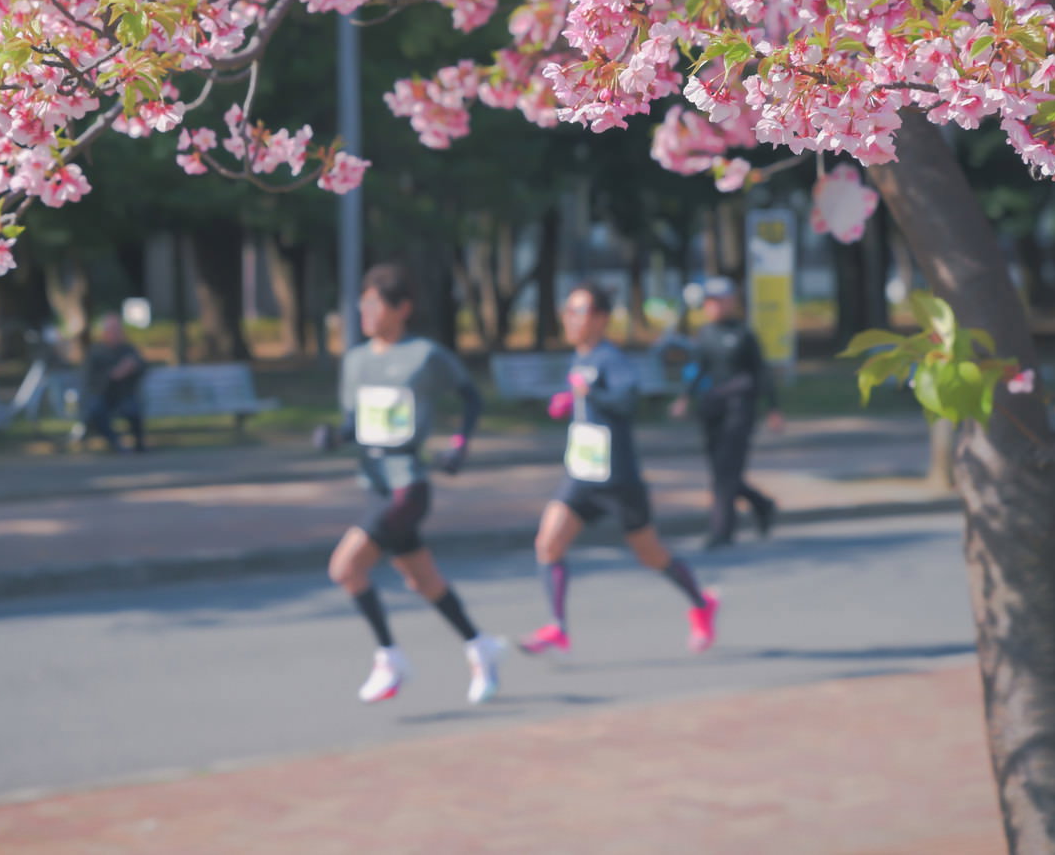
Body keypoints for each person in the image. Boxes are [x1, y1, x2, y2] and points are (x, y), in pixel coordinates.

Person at [313, 262, 504, 705]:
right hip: (374, 484)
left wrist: (460, 444)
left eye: (374, 304)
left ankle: (389, 657)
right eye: (362, 303)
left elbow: (470, 396)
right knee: (423, 580)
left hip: (408, 487)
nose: (365, 311)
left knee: (345, 567)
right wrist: (334, 436)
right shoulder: (357, 360)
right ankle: (481, 646)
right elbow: (355, 422)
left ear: (402, 309)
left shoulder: (425, 355)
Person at [520, 282, 720, 657]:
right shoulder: (581, 358)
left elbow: (628, 402)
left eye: (578, 312)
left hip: (617, 479)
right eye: (567, 311)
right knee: (548, 543)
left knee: (651, 554)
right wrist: (569, 403)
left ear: (600, 320)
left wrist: (588, 395)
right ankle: (558, 627)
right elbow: (590, 403)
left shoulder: (611, 359)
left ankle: (701, 602)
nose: (569, 319)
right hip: (581, 474)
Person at [671, 276, 783, 549]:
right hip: (712, 409)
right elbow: (699, 369)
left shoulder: (744, 334)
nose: (715, 307)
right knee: (722, 472)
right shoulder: (705, 334)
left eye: (720, 301)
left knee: (726, 471)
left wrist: (773, 409)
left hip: (739, 409)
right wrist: (684, 398)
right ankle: (761, 504)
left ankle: (721, 531)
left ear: (731, 303)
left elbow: (761, 372)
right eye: (710, 302)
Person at [81, 313, 147, 453]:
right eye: (112, 330)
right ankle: (116, 443)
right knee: (96, 410)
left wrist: (133, 367)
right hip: (103, 396)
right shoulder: (95, 352)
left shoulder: (127, 349)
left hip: (124, 395)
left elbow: (142, 366)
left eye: (118, 330)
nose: (116, 333)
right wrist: (114, 374)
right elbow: (90, 380)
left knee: (133, 409)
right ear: (104, 332)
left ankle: (139, 445)